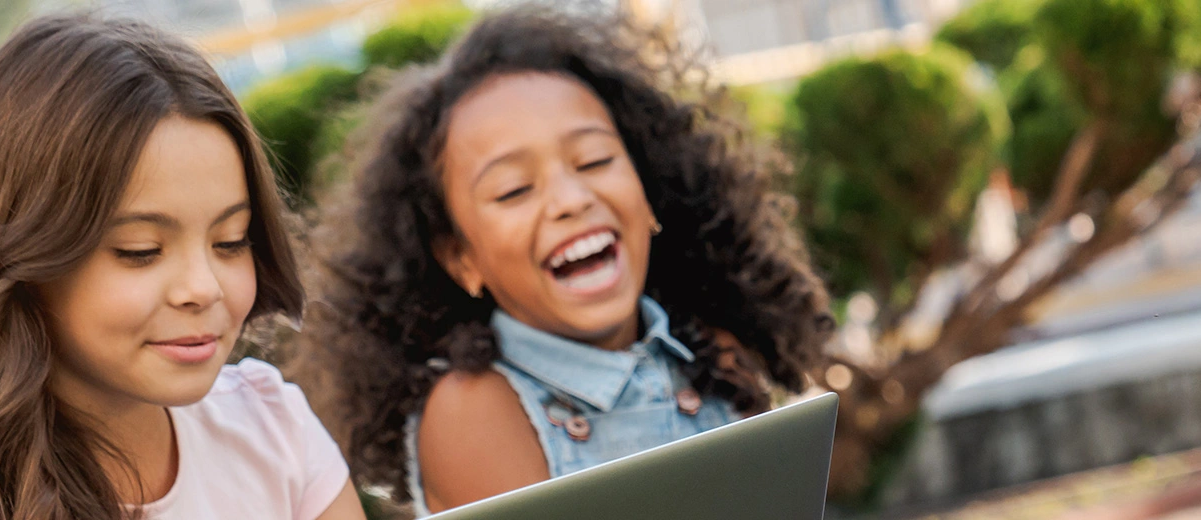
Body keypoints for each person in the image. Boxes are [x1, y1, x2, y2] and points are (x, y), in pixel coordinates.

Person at [287, 9, 835, 516]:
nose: (571, 200)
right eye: (514, 190)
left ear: (648, 193)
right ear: (461, 260)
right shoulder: (473, 411)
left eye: (594, 159)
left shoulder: (717, 355)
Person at [0, 13, 362, 520]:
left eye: (230, 241)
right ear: (23, 257)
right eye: (140, 251)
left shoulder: (272, 427)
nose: (203, 288)